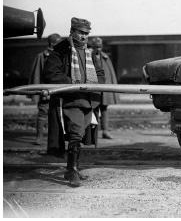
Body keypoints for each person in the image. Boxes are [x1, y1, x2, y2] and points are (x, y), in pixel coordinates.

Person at [42, 17, 105, 187]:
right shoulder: (61, 50)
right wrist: (72, 83)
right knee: (76, 134)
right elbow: (50, 73)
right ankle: (72, 171)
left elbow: (100, 74)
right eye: (81, 33)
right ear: (72, 32)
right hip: (70, 99)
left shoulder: (89, 52)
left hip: (88, 100)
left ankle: (72, 169)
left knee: (81, 135)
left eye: (87, 33)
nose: (84, 37)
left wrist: (95, 85)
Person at [28, 33, 62, 145]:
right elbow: (37, 75)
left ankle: (57, 139)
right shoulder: (41, 56)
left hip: (60, 90)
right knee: (43, 113)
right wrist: (38, 92)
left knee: (60, 114)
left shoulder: (62, 55)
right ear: (52, 43)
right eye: (57, 42)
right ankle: (39, 136)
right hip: (46, 90)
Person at [90, 36, 120, 139]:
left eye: (100, 46)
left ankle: (105, 131)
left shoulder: (105, 57)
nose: (98, 49)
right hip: (94, 87)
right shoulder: (88, 56)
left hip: (104, 88)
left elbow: (110, 73)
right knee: (93, 109)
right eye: (96, 46)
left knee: (104, 109)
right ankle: (92, 134)